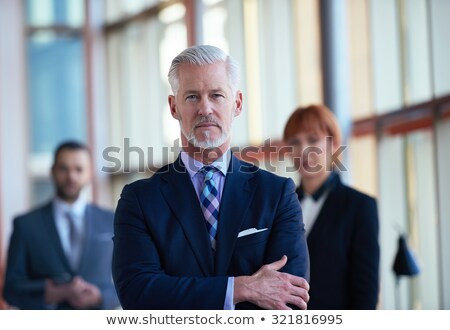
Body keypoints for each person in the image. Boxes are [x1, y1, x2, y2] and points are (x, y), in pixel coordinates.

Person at [112, 45, 310, 310]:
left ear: (237, 103)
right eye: (192, 97)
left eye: (216, 95)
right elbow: (138, 294)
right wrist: (242, 288)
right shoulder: (139, 200)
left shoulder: (276, 194)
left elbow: (291, 296)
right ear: (174, 107)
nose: (205, 108)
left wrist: (182, 292)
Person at [283, 104, 380, 309]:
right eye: (295, 142)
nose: (303, 150)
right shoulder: (280, 204)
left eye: (312, 140)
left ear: (334, 144)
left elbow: (366, 294)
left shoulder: (360, 207)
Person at [4, 141, 120, 309]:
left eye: (79, 169)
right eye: (64, 169)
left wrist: (101, 297)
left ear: (89, 173)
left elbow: (131, 280)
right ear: (52, 171)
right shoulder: (26, 225)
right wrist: (52, 292)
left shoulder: (111, 221)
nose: (71, 177)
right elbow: (11, 290)